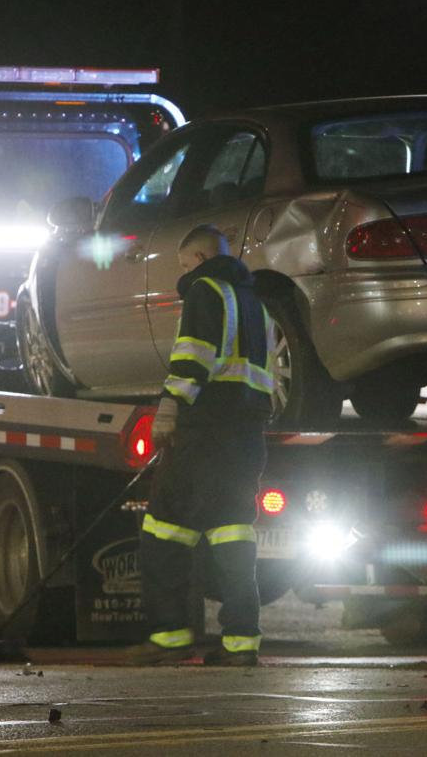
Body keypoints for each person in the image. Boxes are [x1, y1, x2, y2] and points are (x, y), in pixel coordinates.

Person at [129, 224, 277, 667]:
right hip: (246, 436)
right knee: (232, 530)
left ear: (196, 259)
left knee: (163, 528)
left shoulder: (204, 291)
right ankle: (241, 643)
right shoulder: (257, 304)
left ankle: (170, 636)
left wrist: (169, 409)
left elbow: (193, 357)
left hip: (204, 432)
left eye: (183, 264)